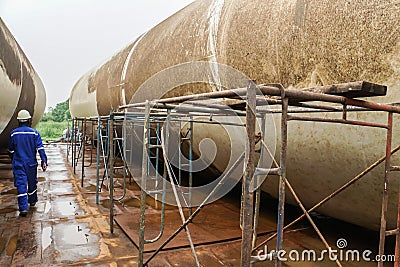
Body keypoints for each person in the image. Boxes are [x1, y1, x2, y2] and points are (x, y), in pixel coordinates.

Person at [7, 109, 48, 217]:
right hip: (31, 163)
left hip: (19, 163)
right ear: (29, 120)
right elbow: (40, 148)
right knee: (32, 182)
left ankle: (23, 208)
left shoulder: (13, 134)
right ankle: (32, 200)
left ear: (19, 121)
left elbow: (10, 150)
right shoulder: (34, 133)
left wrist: (14, 158)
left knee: (21, 184)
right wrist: (44, 161)